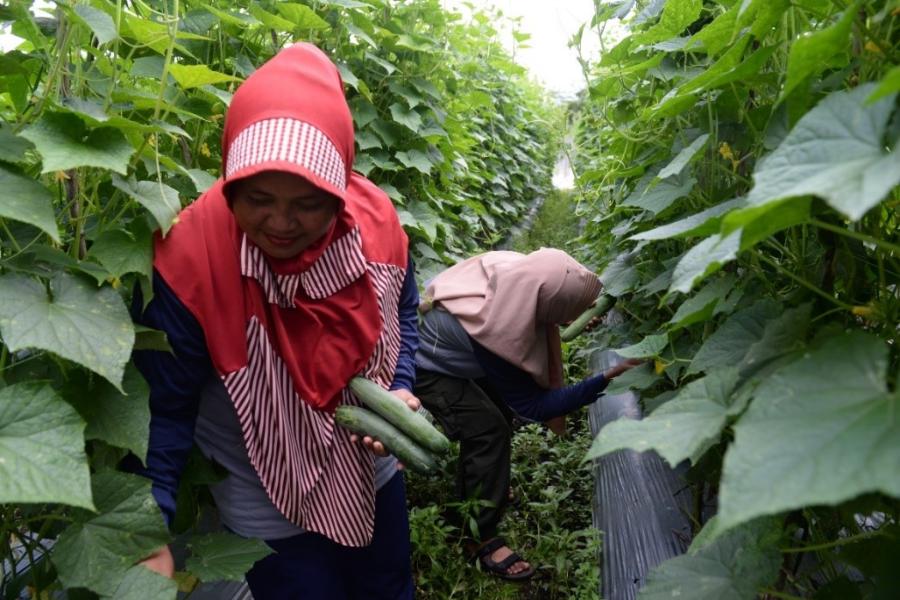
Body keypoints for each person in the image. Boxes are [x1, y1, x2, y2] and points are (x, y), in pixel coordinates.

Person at [130, 43, 420, 599]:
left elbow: (402, 312)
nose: (280, 223)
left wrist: (401, 384)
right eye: (258, 198)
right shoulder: (190, 258)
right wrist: (149, 531)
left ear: (339, 188)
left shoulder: (377, 225)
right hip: (267, 487)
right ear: (230, 177)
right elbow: (163, 408)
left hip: (369, 464)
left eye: (309, 203)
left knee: (388, 586)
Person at [414, 249, 639, 581]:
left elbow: (547, 299)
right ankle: (479, 537)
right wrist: (608, 377)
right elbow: (533, 407)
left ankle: (483, 487)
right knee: (488, 429)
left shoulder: (518, 274)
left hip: (456, 347)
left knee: (498, 416)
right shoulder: (497, 333)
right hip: (423, 365)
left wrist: (571, 312)